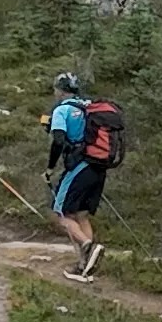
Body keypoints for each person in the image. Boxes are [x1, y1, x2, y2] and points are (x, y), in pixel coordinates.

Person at [43, 72, 112, 278]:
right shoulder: (89, 107)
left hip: (78, 167)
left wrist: (50, 168)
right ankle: (85, 267)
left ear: (60, 90)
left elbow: (58, 140)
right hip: (98, 166)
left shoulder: (62, 110)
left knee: (61, 214)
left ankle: (87, 246)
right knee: (81, 215)